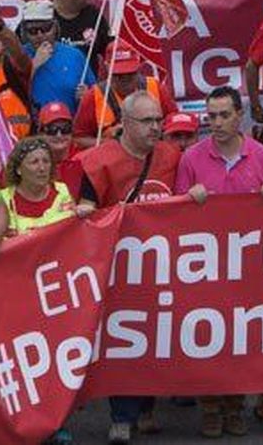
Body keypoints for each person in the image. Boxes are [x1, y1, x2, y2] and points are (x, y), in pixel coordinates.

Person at [175, 86, 263, 437]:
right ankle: (209, 407)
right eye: (211, 116)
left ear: (239, 116)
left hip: (250, 264)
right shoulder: (191, 158)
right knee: (207, 336)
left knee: (240, 337)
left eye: (223, 115)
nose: (216, 123)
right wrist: (189, 200)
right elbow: (173, 216)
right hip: (205, 265)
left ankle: (235, 406)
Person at [75, 91, 179, 442]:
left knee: (156, 337)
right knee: (123, 340)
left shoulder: (171, 155)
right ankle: (122, 416)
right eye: (147, 121)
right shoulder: (97, 161)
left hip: (163, 265)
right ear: (126, 123)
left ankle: (147, 411)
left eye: (158, 120)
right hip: (118, 270)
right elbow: (86, 209)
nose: (155, 128)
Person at [73, 45, 179, 147]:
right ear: (107, 69)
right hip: (112, 159)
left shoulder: (156, 88)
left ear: (138, 68)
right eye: (118, 75)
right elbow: (78, 139)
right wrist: (111, 142)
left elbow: (175, 125)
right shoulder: (93, 96)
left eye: (130, 73)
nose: (125, 79)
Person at [0, 135, 77, 236]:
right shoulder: (3, 200)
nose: (42, 168)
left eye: (46, 161)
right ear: (18, 169)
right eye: (34, 162)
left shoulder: (62, 192)